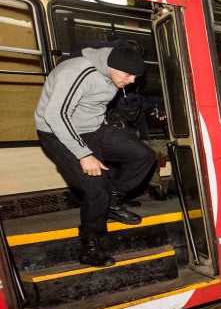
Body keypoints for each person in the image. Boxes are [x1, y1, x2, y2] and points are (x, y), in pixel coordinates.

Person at [35, 44, 156, 268]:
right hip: (57, 132)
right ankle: (89, 245)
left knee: (143, 154)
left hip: (93, 128)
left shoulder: (114, 72)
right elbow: (56, 114)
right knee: (96, 188)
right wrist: (84, 154)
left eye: (135, 76)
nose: (131, 81)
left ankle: (112, 200)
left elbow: (94, 104)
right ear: (111, 66)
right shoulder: (77, 72)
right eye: (127, 75)